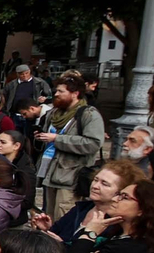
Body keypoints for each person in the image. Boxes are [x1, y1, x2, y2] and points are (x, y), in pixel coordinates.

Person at [37, 73, 106, 220]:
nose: (56, 94)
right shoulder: (55, 113)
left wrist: (57, 139)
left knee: (63, 217)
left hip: (70, 176)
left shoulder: (89, 115)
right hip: (50, 172)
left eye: (61, 91)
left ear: (75, 94)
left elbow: (93, 143)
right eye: (56, 91)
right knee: (48, 217)